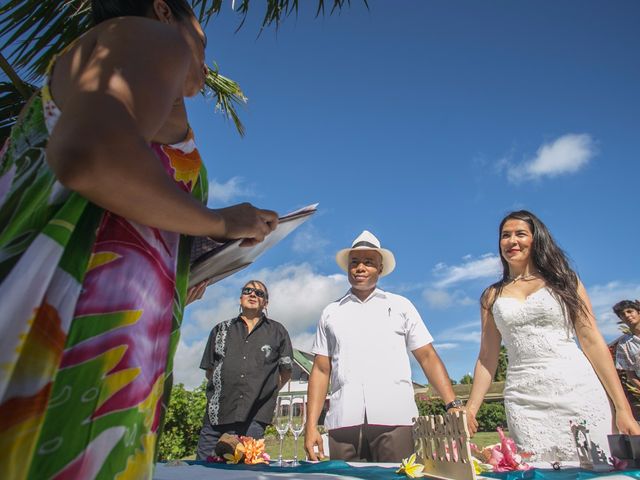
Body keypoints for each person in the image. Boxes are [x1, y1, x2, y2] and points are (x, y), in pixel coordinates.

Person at [0, 1, 278, 478]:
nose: (206, 61)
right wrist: (218, 223)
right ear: (164, 12)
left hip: (96, 341)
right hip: (72, 340)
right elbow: (89, 154)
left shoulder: (125, 66)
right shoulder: (149, 36)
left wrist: (188, 266)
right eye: (203, 41)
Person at [466, 210, 640, 463]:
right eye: (505, 235)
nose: (511, 241)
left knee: (593, 468)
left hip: (576, 387)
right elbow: (487, 357)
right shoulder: (491, 296)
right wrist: (471, 408)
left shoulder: (566, 281)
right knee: (536, 468)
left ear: (537, 239)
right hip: (523, 397)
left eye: (520, 234)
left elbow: (592, 341)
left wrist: (622, 408)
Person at [304, 230, 460, 463]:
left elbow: (427, 356)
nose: (360, 268)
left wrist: (453, 404)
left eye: (368, 262)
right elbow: (321, 370)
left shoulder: (401, 306)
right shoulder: (331, 312)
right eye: (354, 262)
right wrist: (310, 426)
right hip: (343, 421)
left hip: (395, 419)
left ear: (380, 268)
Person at [196, 280, 293, 460]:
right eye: (248, 290)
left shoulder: (278, 331)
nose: (253, 294)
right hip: (216, 417)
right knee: (204, 471)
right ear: (240, 298)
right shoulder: (220, 330)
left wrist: (263, 391)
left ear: (266, 303)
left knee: (246, 472)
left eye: (259, 293)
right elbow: (210, 371)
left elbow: (285, 372)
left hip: (254, 418)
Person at [611, 300, 640, 420]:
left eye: (630, 311)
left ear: (638, 312)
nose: (627, 315)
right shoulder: (624, 344)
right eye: (622, 314)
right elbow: (630, 374)